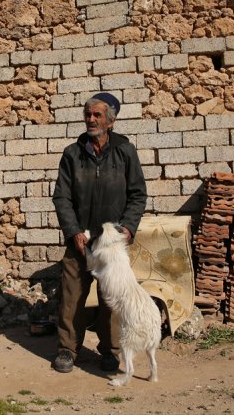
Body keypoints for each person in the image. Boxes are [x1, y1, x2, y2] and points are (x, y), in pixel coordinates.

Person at [51, 92, 148, 373]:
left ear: (110, 121)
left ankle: (109, 350)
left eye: (97, 115)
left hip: (112, 243)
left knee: (112, 299)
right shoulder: (72, 153)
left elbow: (137, 194)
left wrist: (128, 227)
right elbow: (62, 198)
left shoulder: (125, 151)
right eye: (87, 115)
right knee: (71, 297)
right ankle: (68, 350)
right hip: (80, 240)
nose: (91, 120)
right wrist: (73, 232)